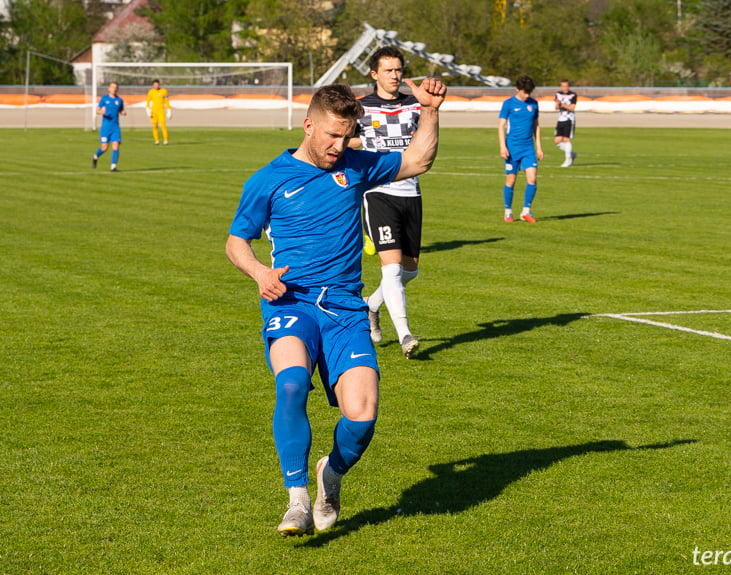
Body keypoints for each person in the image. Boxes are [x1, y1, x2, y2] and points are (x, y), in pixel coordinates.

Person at [225, 79, 446, 538]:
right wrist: (261, 274)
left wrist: (429, 110)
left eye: (346, 136)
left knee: (363, 416)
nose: (338, 145)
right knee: (290, 384)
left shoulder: (357, 166)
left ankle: (331, 476)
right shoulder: (268, 179)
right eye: (331, 135)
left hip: (345, 308)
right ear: (308, 125)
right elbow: (235, 242)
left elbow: (418, 160)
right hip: (292, 301)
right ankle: (298, 500)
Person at [349, 46, 423, 359]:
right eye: (388, 70)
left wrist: (433, 109)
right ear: (374, 74)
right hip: (377, 192)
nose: (394, 76)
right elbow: (344, 139)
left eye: (398, 70)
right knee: (391, 270)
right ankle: (406, 335)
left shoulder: (415, 104)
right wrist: (364, 143)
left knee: (410, 272)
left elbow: (426, 140)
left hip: (411, 191)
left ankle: (371, 304)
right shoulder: (360, 108)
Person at [498, 75, 543, 223]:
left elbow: (536, 126)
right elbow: (501, 126)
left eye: (529, 93)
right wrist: (502, 146)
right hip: (512, 147)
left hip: (528, 147)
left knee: (532, 178)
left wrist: (539, 147)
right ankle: (508, 211)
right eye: (525, 92)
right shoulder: (508, 104)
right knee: (511, 180)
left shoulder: (534, 104)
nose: (527, 95)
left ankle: (526, 211)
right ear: (517, 89)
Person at [91, 81, 126, 172]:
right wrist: (100, 112)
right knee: (104, 148)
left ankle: (113, 167)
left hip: (115, 127)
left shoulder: (119, 100)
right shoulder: (104, 99)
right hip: (105, 127)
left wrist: (123, 112)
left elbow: (121, 110)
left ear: (117, 89)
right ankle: (95, 157)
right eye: (112, 87)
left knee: (116, 146)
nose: (114, 89)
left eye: (115, 87)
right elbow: (97, 110)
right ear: (109, 88)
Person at [554, 79, 577, 167]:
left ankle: (568, 160)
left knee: (566, 139)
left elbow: (572, 108)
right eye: (563, 86)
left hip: (569, 119)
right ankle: (571, 153)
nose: (565, 88)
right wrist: (557, 104)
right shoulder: (558, 94)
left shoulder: (573, 95)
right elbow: (556, 108)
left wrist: (562, 104)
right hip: (560, 119)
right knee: (557, 141)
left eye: (566, 86)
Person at [146, 79, 172, 145]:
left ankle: (166, 140)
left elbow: (166, 101)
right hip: (154, 111)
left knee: (163, 125)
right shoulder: (151, 92)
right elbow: (148, 102)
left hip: (161, 111)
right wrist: (147, 109)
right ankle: (156, 141)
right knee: (154, 126)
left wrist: (169, 110)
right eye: (154, 85)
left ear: (159, 84)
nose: (156, 86)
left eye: (157, 84)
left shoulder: (164, 91)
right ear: (153, 85)